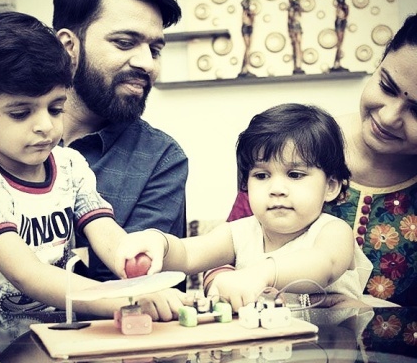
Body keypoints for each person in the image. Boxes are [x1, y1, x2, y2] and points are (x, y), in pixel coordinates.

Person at [0, 0, 188, 312]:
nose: (147, 63)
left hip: (72, 334)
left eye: (156, 49)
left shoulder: (136, 160)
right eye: (124, 42)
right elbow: (25, 273)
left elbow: (115, 243)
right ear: (69, 46)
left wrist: (139, 275)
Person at [226, 13, 417, 307]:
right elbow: (232, 251)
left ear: (332, 185)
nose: (389, 116)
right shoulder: (295, 148)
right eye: (386, 87)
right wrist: (222, 282)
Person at [115, 103, 373, 311]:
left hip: (334, 353)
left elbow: (324, 264)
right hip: (267, 353)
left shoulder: (332, 231)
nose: (276, 188)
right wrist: (159, 243)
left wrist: (261, 273)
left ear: (331, 186)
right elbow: (189, 254)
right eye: (261, 175)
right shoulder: (239, 233)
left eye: (295, 174)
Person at [330, 0, 349, 71]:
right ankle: (336, 63)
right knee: (339, 44)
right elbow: (340, 15)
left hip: (342, 23)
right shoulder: (339, 6)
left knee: (340, 43)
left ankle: (337, 63)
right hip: (339, 23)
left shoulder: (344, 6)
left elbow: (346, 14)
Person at [238, 0, 257, 77]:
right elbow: (248, 20)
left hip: (249, 28)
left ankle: (245, 67)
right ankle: (244, 68)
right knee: (247, 48)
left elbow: (252, 19)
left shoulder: (248, 11)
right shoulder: (246, 12)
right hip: (246, 28)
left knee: (248, 48)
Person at [287, 0, 305, 74]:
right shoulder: (292, 11)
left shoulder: (297, 11)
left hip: (297, 28)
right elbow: (291, 19)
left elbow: (299, 16)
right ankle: (297, 66)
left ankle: (298, 65)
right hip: (294, 28)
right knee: (296, 47)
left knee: (299, 47)